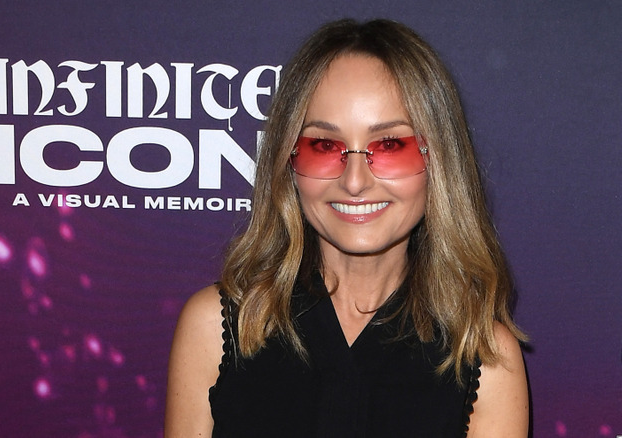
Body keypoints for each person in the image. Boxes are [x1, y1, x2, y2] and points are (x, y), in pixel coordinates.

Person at [165, 18, 528, 438]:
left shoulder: (485, 356)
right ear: (289, 161)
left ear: (437, 161)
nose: (355, 181)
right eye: (324, 145)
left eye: (390, 145)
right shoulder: (216, 326)